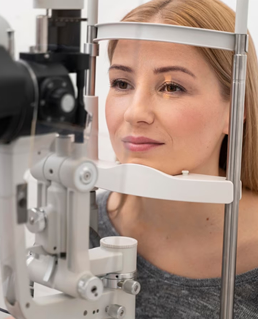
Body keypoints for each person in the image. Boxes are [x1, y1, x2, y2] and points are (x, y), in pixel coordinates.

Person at [90, 0, 258, 317]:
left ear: (235, 109)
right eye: (121, 83)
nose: (134, 112)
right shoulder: (79, 225)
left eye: (172, 87)